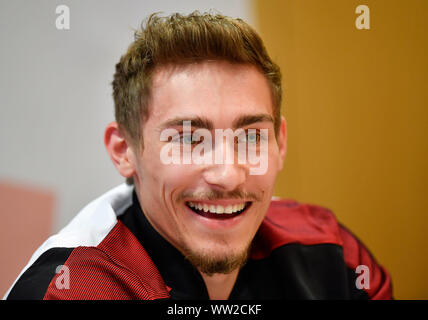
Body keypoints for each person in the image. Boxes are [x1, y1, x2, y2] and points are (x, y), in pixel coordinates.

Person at [4, 12, 392, 300]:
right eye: (190, 138)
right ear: (125, 151)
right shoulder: (74, 288)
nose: (228, 175)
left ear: (280, 142)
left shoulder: (334, 258)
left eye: (251, 136)